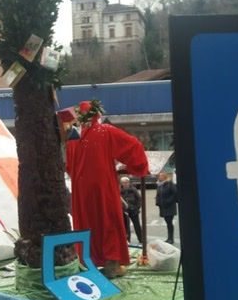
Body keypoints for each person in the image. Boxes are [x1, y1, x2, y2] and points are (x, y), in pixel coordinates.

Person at [66, 100, 149, 279]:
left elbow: (69, 166)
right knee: (108, 221)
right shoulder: (106, 131)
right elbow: (134, 147)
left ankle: (88, 263)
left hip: (81, 190)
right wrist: (135, 167)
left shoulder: (73, 138)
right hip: (103, 186)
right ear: (97, 114)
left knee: (86, 224)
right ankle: (112, 264)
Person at [155, 171, 177, 244]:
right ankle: (169, 238)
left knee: (169, 222)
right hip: (163, 207)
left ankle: (171, 238)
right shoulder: (159, 185)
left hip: (169, 206)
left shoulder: (169, 184)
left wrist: (168, 201)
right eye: (159, 176)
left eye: (161, 176)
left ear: (165, 176)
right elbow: (158, 195)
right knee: (167, 222)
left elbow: (175, 193)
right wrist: (157, 202)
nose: (160, 177)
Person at [120, 176, 142, 244]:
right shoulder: (119, 191)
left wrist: (137, 207)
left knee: (137, 225)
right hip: (125, 211)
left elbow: (139, 199)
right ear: (122, 184)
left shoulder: (133, 190)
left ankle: (141, 239)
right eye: (124, 183)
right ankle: (127, 240)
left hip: (134, 210)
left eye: (127, 182)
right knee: (126, 226)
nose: (126, 184)